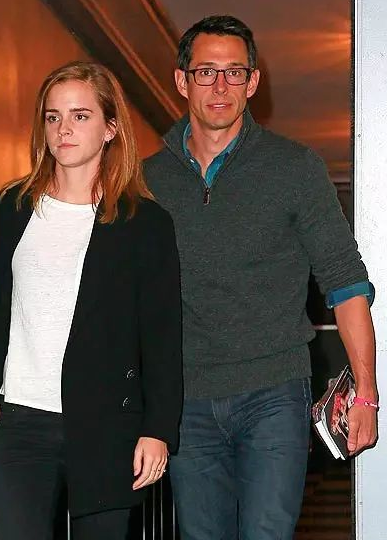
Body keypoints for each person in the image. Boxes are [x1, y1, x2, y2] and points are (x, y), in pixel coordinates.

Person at [144, 15, 378, 540]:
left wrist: (365, 392)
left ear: (253, 82)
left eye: (234, 72)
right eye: (205, 72)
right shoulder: (147, 181)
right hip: (185, 400)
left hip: (274, 392)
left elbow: (344, 280)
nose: (220, 86)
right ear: (181, 81)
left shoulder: (295, 168)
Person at [0, 60, 182, 540]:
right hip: (22, 419)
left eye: (80, 115)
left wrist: (158, 430)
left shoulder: (144, 224)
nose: (63, 129)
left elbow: (161, 335)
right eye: (53, 117)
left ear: (110, 128)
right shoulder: (11, 207)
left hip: (106, 420)